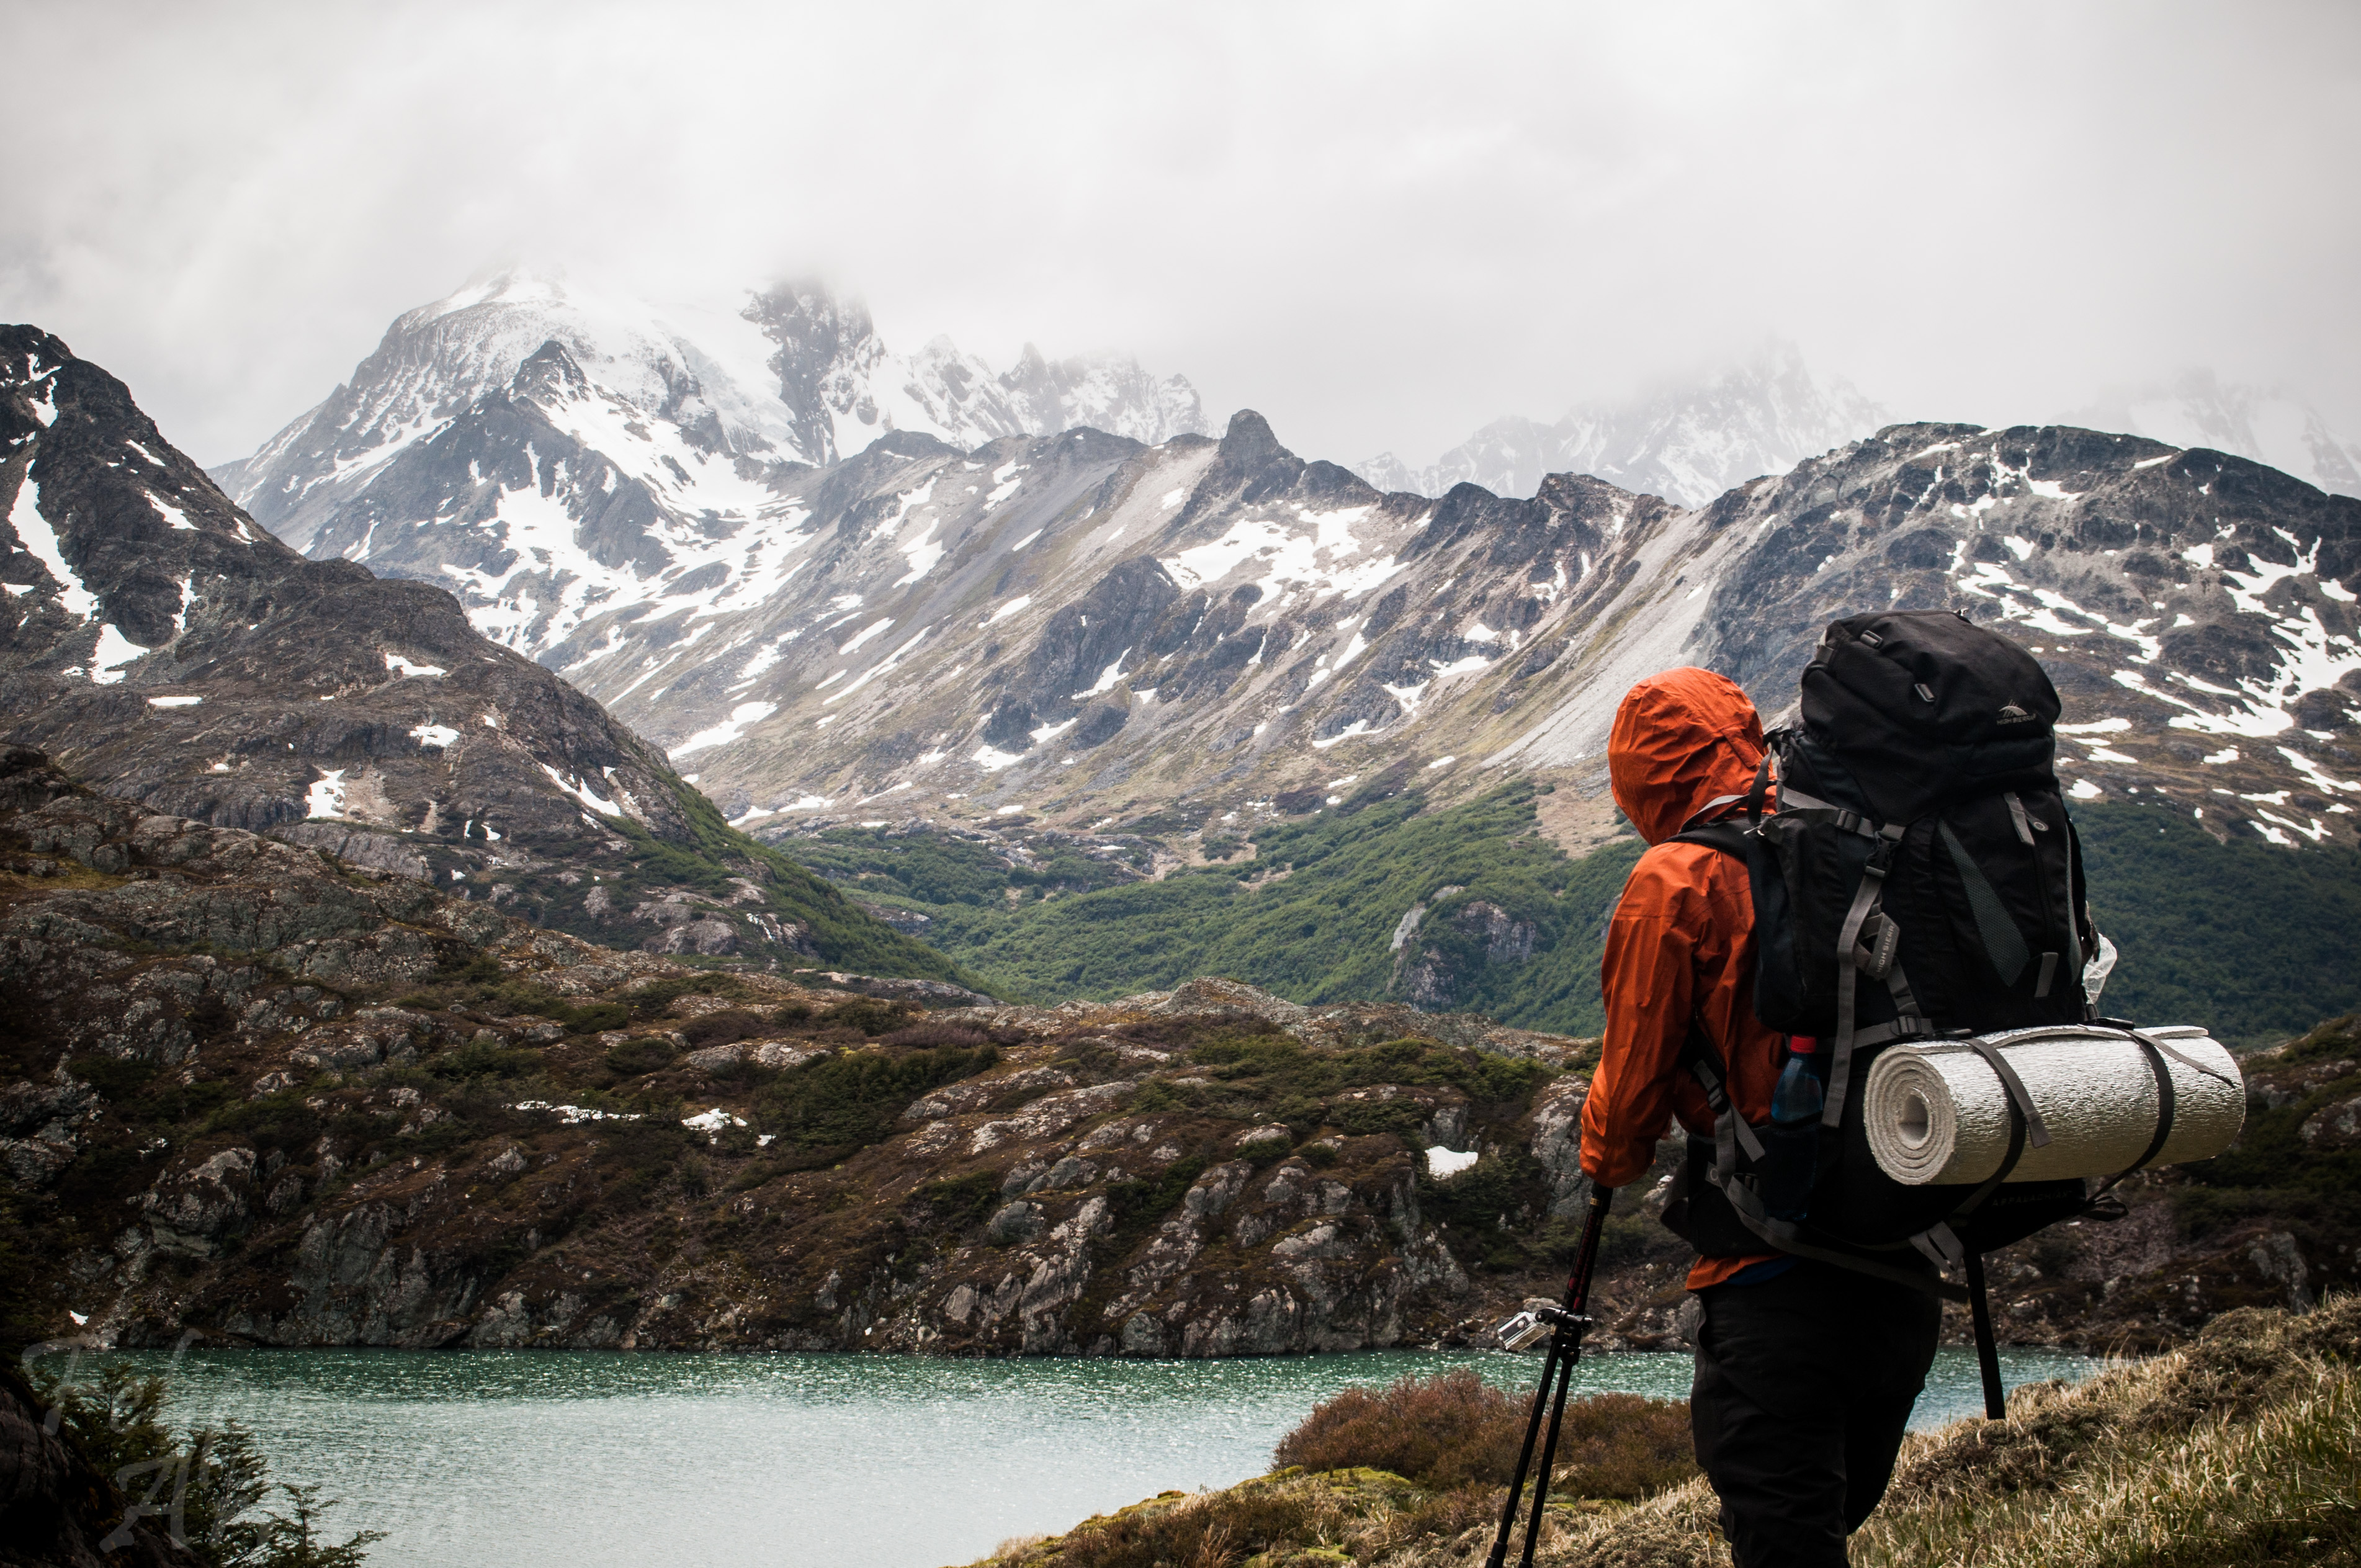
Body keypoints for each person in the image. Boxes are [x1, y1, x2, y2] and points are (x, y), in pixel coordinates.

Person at [1577, 666, 1939, 1568]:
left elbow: (1627, 1104)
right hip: (1908, 1245)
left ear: (1640, 776)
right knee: (1829, 1517)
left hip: (1771, 1268)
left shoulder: (1678, 879)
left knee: (1782, 1529)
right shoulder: (1865, 844)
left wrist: (1605, 1163)